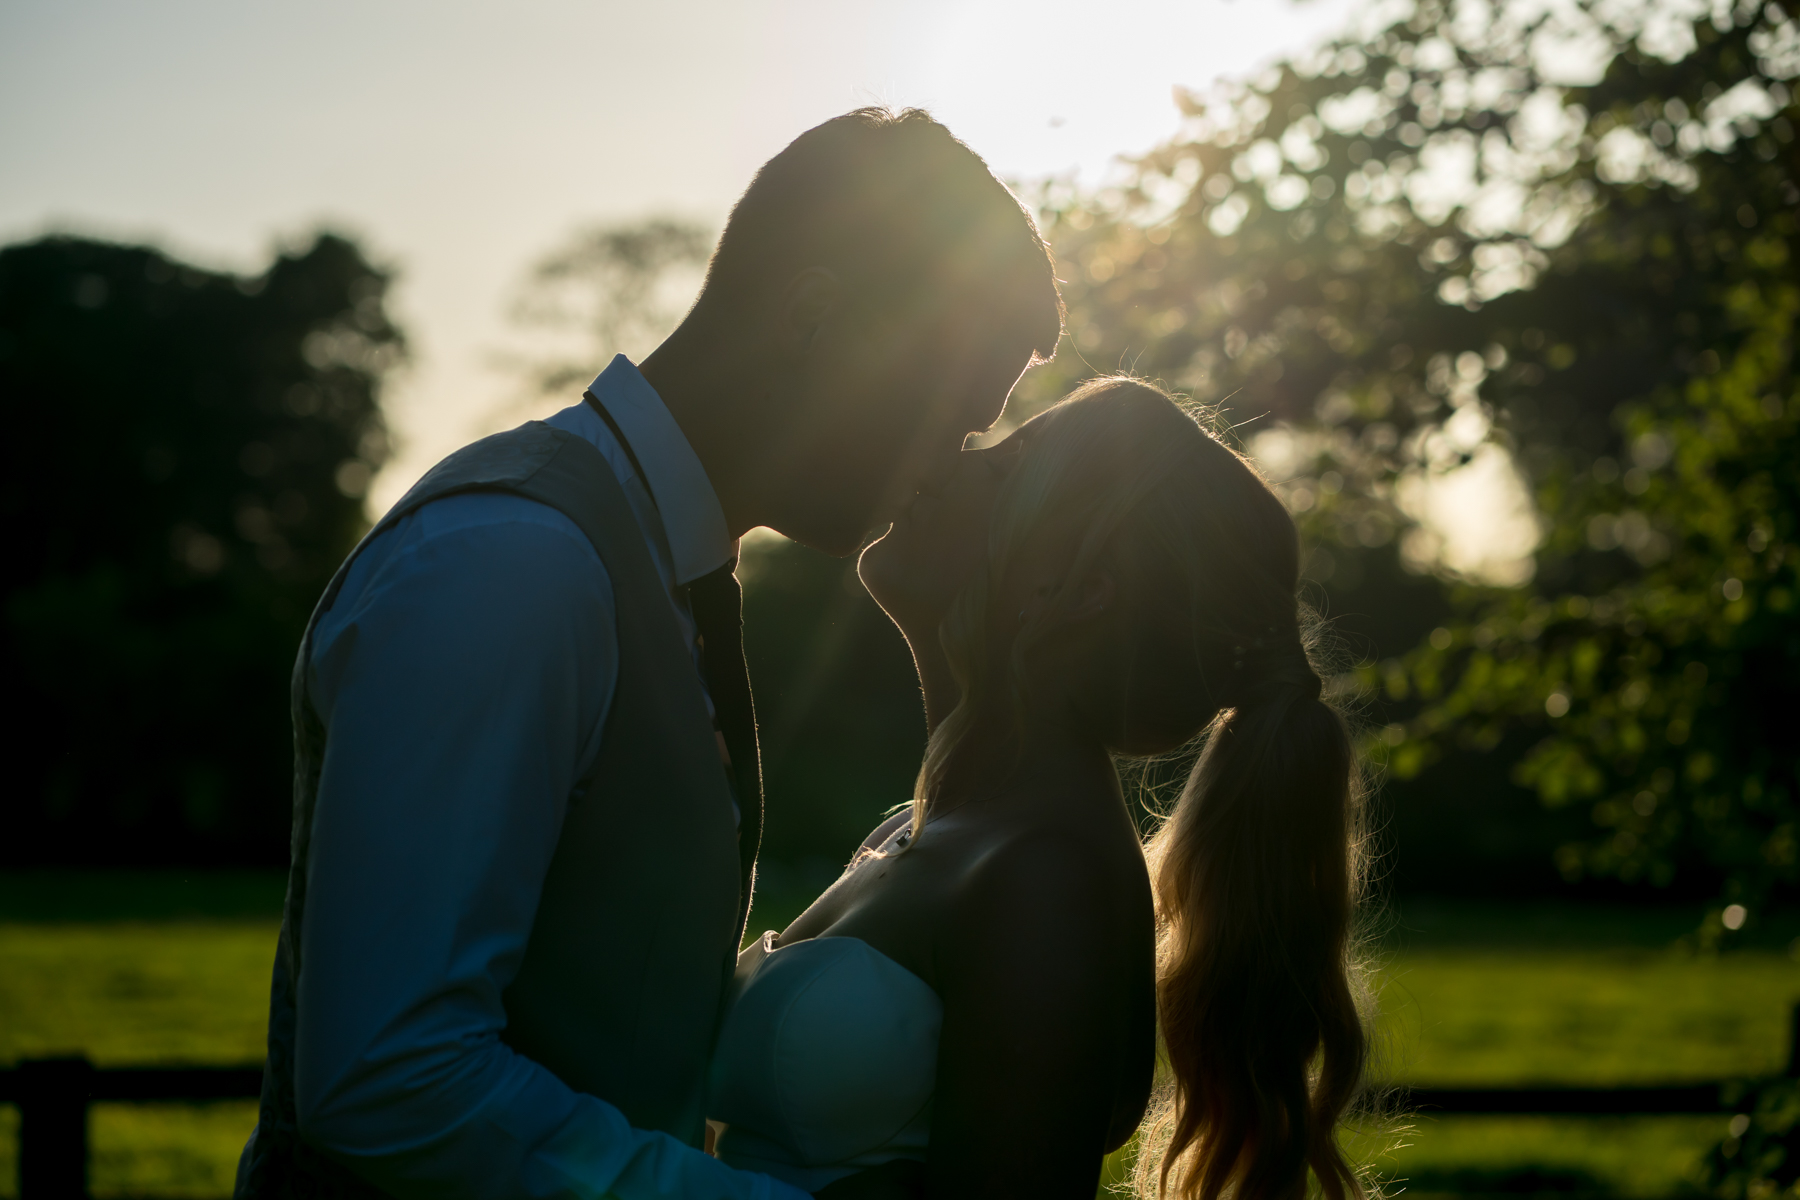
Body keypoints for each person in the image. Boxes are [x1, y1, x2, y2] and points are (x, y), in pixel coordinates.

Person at [235, 107, 1062, 1200]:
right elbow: (387, 1081)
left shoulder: (648, 572)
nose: (946, 466)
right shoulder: (512, 566)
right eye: (948, 411)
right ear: (818, 317)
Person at [705, 377, 1372, 1200]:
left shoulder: (1046, 880)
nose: (952, 461)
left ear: (1079, 584)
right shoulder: (919, 830)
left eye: (1006, 465)